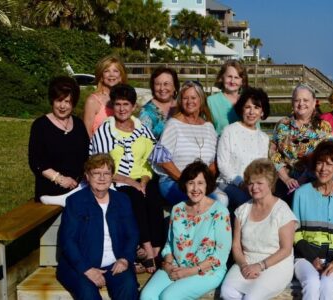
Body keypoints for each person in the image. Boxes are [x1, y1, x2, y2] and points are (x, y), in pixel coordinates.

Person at [90, 84, 163, 274]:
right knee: (135, 198)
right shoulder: (105, 131)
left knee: (154, 195)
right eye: (118, 104)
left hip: (142, 177)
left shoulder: (142, 129)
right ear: (113, 106)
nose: (122, 109)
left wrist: (145, 179)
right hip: (116, 180)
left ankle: (157, 248)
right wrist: (131, 181)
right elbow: (99, 165)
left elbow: (150, 159)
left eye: (126, 104)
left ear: (133, 107)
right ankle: (147, 251)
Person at [140, 161, 232, 300]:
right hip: (177, 264)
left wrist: (189, 272)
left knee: (169, 297)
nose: (195, 188)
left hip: (207, 269)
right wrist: (169, 264)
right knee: (147, 296)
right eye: (191, 183)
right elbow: (169, 245)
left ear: (207, 185)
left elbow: (220, 256)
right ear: (185, 185)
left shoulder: (220, 212)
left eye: (200, 183)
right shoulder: (177, 209)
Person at [56, 154, 139, 300]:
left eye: (106, 173)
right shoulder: (75, 202)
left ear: (112, 176)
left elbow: (132, 234)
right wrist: (86, 269)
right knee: (87, 293)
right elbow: (68, 240)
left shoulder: (122, 200)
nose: (102, 178)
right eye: (96, 173)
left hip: (115, 264)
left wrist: (125, 259)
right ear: (87, 176)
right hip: (81, 265)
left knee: (128, 286)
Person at [220, 158, 298, 300]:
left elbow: (286, 249)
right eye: (250, 183)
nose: (254, 187)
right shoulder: (242, 210)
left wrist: (260, 265)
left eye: (259, 183)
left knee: (252, 298)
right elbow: (236, 246)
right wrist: (244, 265)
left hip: (275, 264)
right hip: (247, 260)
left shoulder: (282, 210)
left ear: (270, 184)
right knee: (227, 291)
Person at [292, 141, 333, 300]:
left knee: (328, 284)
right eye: (319, 163)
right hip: (305, 258)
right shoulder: (301, 194)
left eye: (329, 164)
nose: (323, 169)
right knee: (313, 283)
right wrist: (313, 258)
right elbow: (296, 233)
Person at [151, 81, 227, 206]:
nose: (189, 101)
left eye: (193, 97)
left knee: (223, 199)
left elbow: (216, 160)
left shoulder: (208, 126)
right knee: (210, 202)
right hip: (174, 181)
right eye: (185, 98)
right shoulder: (173, 124)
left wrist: (204, 180)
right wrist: (187, 182)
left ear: (201, 100)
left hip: (201, 182)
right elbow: (162, 159)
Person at [29, 76, 89, 203]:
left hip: (79, 187)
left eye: (67, 101)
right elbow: (36, 162)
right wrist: (61, 179)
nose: (62, 106)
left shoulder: (78, 124)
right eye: (59, 100)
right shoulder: (40, 125)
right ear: (52, 101)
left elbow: (86, 156)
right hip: (52, 190)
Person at [269, 83, 333, 203]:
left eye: (305, 100)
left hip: (313, 182)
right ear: (292, 103)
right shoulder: (282, 124)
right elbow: (273, 152)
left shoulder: (324, 127)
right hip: (283, 182)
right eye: (297, 100)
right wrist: (286, 179)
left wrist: (303, 179)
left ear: (314, 102)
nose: (301, 103)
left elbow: (328, 157)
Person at [217, 87, 271, 209]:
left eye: (256, 108)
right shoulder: (229, 131)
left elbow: (262, 169)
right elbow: (223, 165)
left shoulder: (264, 138)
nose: (252, 112)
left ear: (262, 112)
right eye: (248, 107)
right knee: (248, 202)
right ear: (241, 109)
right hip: (229, 184)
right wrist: (241, 183)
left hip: (253, 186)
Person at [83, 55, 127, 137]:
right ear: (101, 76)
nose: (111, 74)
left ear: (121, 76)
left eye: (115, 71)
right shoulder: (93, 101)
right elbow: (86, 133)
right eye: (106, 71)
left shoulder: (126, 99)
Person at [207, 59, 249, 135]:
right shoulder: (211, 102)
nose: (232, 81)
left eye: (236, 77)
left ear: (242, 81)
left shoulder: (248, 101)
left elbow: (256, 129)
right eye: (229, 76)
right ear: (222, 78)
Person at [139, 67, 179, 140]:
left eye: (166, 84)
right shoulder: (146, 112)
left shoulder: (183, 107)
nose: (162, 88)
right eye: (158, 84)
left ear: (175, 87)